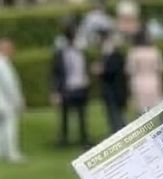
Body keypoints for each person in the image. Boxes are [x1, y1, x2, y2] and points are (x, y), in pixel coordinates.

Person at [50, 19, 91, 147]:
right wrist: (55, 90)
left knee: (82, 114)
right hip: (67, 87)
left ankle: (84, 137)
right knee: (65, 115)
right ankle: (64, 138)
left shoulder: (80, 51)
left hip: (80, 86)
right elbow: (56, 72)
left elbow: (84, 67)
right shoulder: (61, 53)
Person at [95, 30, 129, 135]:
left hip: (115, 91)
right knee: (112, 115)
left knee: (117, 115)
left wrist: (101, 70)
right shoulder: (106, 57)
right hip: (110, 92)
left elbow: (112, 71)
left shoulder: (116, 56)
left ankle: (121, 132)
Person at [125, 28, 163, 115]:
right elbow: (159, 69)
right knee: (155, 110)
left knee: (141, 112)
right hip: (153, 81)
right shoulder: (154, 51)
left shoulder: (134, 52)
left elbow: (130, 70)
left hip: (138, 81)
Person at [0, 38, 25, 162]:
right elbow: (10, 85)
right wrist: (18, 101)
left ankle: (3, 151)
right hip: (5, 102)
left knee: (3, 127)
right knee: (10, 126)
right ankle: (12, 153)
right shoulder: (3, 64)